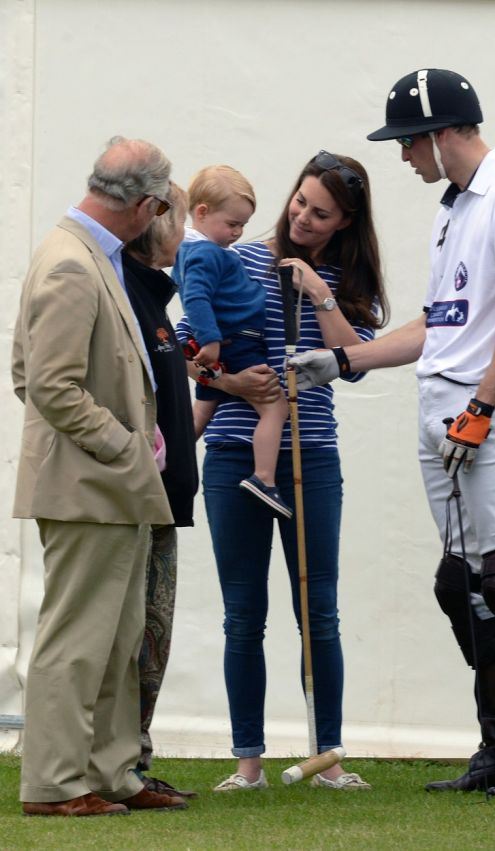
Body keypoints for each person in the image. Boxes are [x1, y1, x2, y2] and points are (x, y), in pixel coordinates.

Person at [289, 70, 495, 798]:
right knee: (464, 580)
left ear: (439, 132)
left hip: (481, 409)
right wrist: (341, 360)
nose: (403, 158)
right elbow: (438, 326)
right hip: (442, 407)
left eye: (406, 142)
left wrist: (482, 407)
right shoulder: (453, 210)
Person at [194, 150, 388, 791]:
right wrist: (231, 382)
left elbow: (358, 359)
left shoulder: (345, 279)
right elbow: (192, 353)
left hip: (313, 454)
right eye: (301, 202)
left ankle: (325, 756)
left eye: (321, 212)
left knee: (319, 612)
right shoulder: (236, 256)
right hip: (231, 454)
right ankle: (247, 763)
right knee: (243, 614)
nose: (303, 216)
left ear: (345, 221)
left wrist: (319, 290)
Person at [12, 137, 189, 815]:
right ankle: (55, 784)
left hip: (113, 485)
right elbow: (45, 384)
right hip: (91, 485)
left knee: (117, 640)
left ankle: (110, 772)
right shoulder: (71, 265)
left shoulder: (91, 257)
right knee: (78, 640)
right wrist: (124, 443)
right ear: (144, 205)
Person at [123, 182, 199, 799]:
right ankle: (120, 765)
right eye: (180, 217)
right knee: (131, 635)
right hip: (134, 500)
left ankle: (133, 761)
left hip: (164, 500)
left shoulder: (155, 298)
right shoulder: (126, 292)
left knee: (155, 632)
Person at [173, 165, 291, 519]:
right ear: (202, 212)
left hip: (227, 340)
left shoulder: (190, 250)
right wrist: (210, 342)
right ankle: (264, 477)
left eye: (243, 225)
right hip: (236, 342)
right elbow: (195, 298)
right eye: (232, 224)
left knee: (204, 409)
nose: (237, 233)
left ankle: (167, 456)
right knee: (275, 407)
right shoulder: (208, 253)